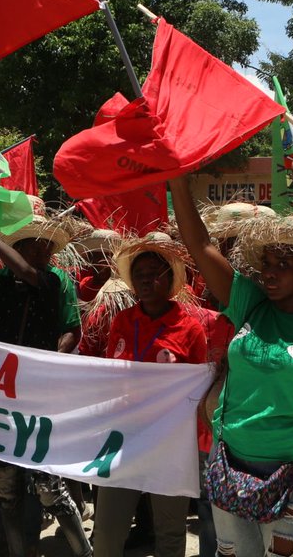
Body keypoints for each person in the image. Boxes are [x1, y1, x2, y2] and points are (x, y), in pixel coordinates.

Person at [168, 175, 293, 557]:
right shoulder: (248, 304)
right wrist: (178, 184)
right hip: (229, 465)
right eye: (268, 263)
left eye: (284, 264)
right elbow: (201, 245)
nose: (270, 273)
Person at [0, 201, 91, 557]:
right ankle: (18, 551)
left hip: (40, 392)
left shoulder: (53, 280)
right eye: (38, 246)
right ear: (21, 247)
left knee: (48, 485)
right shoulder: (0, 282)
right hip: (4, 390)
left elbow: (66, 322)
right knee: (7, 487)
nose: (46, 252)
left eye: (48, 247)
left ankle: (84, 552)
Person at [92, 235, 207, 557]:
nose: (146, 279)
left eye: (154, 273)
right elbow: (112, 375)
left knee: (169, 533)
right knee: (107, 530)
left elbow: (197, 389)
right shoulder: (122, 321)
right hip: (123, 438)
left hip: (170, 442)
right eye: (139, 274)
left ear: (170, 280)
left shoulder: (190, 328)